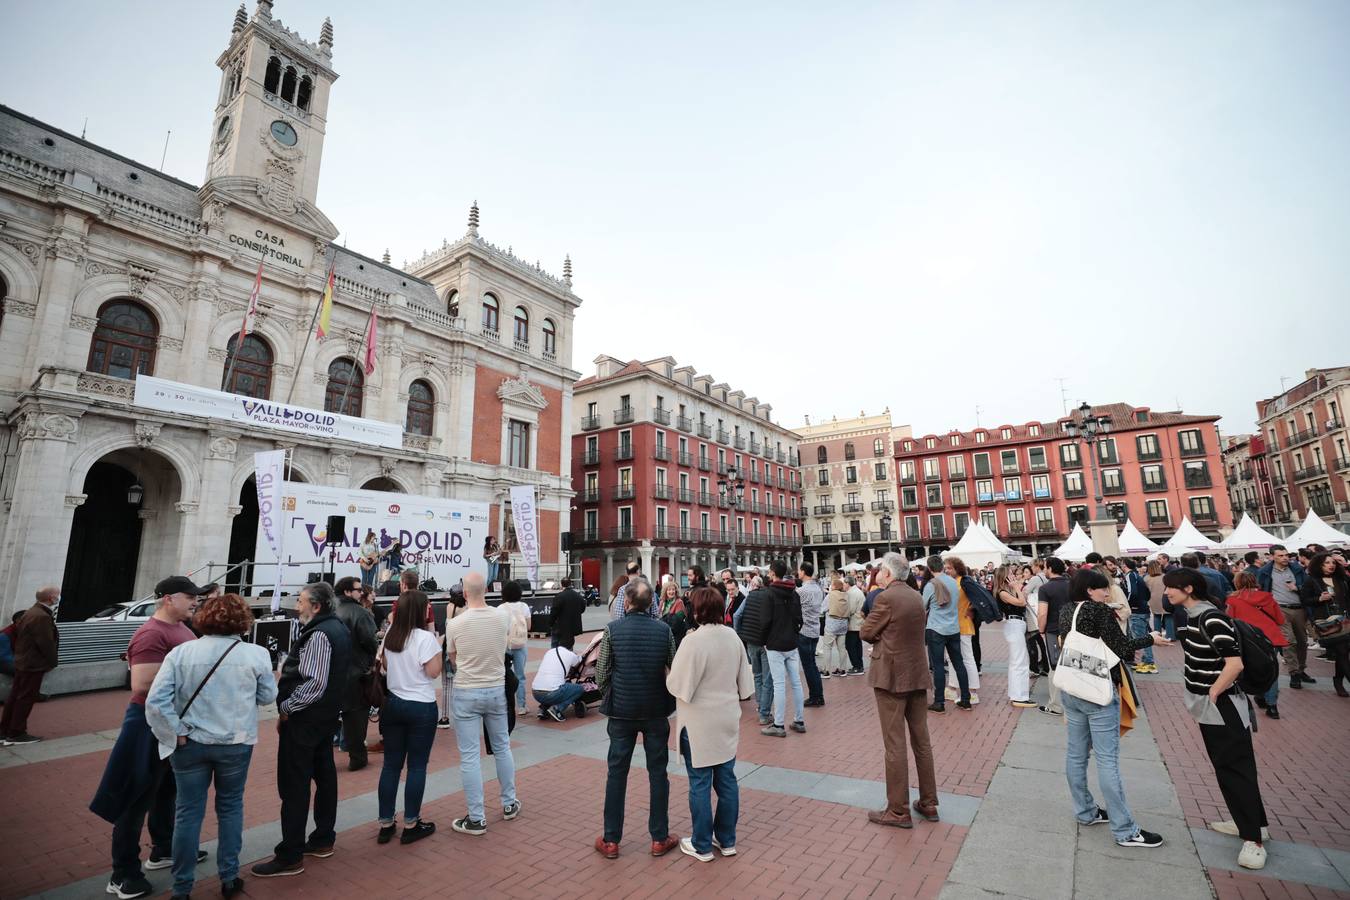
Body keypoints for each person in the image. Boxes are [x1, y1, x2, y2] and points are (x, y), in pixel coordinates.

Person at [144, 593, 276, 900]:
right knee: (230, 808)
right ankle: (229, 877)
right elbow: (267, 696)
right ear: (242, 620)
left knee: (187, 813)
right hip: (235, 741)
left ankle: (182, 887)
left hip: (189, 742)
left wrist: (175, 731)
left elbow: (156, 700)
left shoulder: (182, 653)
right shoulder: (256, 654)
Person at [90, 577, 206, 900]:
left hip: (172, 723)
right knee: (136, 796)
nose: (195, 602)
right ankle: (123, 872)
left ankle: (164, 848)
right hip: (146, 725)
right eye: (190, 597)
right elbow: (141, 685)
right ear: (168, 599)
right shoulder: (152, 633)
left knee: (166, 789)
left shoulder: (182, 629)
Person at [1162, 568, 1269, 870]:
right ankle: (1249, 823)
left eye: (1171, 588)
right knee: (1226, 766)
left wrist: (1214, 692)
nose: (1167, 592)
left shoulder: (1211, 617)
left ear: (1189, 589)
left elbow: (1234, 663)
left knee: (1236, 767)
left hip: (1222, 705)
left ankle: (1254, 841)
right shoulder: (1194, 616)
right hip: (1211, 705)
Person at [251, 582, 353, 878]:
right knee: (323, 776)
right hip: (323, 718)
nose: (297, 606)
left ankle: (291, 853)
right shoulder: (335, 628)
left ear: (317, 606)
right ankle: (322, 838)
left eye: (302, 601)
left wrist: (287, 708)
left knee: (295, 785)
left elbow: (314, 683)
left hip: (307, 719)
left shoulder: (321, 633)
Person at [1059, 568, 1165, 850]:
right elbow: (1122, 648)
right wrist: (1151, 638)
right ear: (1090, 590)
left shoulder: (1068, 609)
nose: (1107, 593)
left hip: (1072, 687)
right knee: (1107, 760)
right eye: (1102, 589)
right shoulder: (1099, 612)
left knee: (1076, 754)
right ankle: (1125, 830)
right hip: (1098, 690)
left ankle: (1085, 811)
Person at [594, 580, 680, 859]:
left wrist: (612, 695)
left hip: (621, 711)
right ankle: (659, 837)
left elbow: (602, 672)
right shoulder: (664, 630)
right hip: (656, 710)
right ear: (650, 604)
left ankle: (611, 840)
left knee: (616, 773)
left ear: (627, 603)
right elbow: (674, 667)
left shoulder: (612, 630)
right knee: (658, 773)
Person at [667, 587, 754, 861]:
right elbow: (746, 686)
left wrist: (666, 673)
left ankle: (701, 843)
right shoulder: (733, 637)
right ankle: (726, 839)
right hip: (727, 719)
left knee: (700, 783)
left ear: (696, 611)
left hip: (698, 723)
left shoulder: (692, 642)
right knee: (727, 780)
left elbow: (679, 686)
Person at [861, 553, 938, 828]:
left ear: (888, 573)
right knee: (922, 742)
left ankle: (897, 809)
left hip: (892, 677)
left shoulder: (886, 598)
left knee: (894, 744)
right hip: (917, 673)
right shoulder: (915, 595)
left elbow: (866, 632)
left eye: (881, 569)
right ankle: (929, 802)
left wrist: (881, 636)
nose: (878, 573)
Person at [445, 572, 518, 835]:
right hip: (495, 688)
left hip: (467, 690)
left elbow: (452, 658)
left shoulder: (455, 624)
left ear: (464, 593)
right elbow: (505, 644)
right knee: (502, 747)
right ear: (486, 590)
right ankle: (509, 802)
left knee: (469, 756)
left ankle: (477, 817)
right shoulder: (502, 616)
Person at [375, 590, 443, 846]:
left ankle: (385, 822)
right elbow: (433, 672)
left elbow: (384, 668)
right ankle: (411, 823)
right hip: (420, 706)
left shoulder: (391, 636)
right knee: (416, 766)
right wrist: (439, 647)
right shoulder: (425, 638)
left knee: (391, 765)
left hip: (393, 704)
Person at [1, 586, 60, 745]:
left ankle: (5, 730)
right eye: (57, 595)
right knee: (25, 698)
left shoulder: (31, 612)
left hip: (23, 661)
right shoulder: (41, 616)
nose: (58, 598)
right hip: (33, 663)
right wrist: (52, 661)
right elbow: (46, 643)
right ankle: (16, 733)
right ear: (50, 598)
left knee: (16, 696)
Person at [1225, 572, 1287, 718]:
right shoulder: (1267, 597)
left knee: (1251, 668)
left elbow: (1230, 621)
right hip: (1270, 638)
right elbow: (1280, 620)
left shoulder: (1232, 600)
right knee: (1271, 671)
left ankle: (1258, 696)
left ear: (1237, 583)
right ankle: (1272, 706)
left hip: (1248, 640)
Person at [756, 559, 806, 737]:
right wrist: (793, 632)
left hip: (775, 644)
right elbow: (800, 619)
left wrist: (763, 640)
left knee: (779, 684)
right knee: (796, 682)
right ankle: (799, 720)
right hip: (791, 643)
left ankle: (778, 724)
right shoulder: (794, 593)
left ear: (772, 573)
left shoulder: (769, 594)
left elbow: (764, 622)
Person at [333, 575, 378, 772]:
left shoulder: (330, 611)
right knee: (356, 717)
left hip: (333, 672)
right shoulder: (360, 613)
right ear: (347, 592)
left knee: (330, 715)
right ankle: (357, 756)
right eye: (358, 590)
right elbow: (370, 641)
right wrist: (369, 662)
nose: (362, 592)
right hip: (355, 672)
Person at [1256, 545, 1312, 689]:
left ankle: (1301, 669)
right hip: (1280, 609)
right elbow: (1261, 590)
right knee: (1289, 641)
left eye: (1286, 555)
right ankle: (1294, 673)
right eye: (1280, 555)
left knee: (1302, 641)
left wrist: (1297, 588)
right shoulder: (1265, 572)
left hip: (1299, 608)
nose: (1285, 558)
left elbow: (1308, 587)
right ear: (1272, 556)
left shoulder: (1297, 569)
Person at [923, 555, 970, 713]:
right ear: (942, 566)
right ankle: (965, 699)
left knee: (938, 666)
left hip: (936, 628)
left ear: (929, 569)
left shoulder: (931, 585)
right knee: (959, 663)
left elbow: (922, 605)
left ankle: (939, 702)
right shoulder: (953, 581)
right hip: (954, 628)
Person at [1300, 552, 1350, 697]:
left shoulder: (1342, 579)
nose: (1331, 565)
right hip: (1328, 623)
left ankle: (1338, 681)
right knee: (1341, 651)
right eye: (1327, 563)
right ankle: (1340, 682)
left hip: (1346, 620)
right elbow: (1305, 599)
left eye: (1333, 563)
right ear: (1319, 565)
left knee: (1344, 653)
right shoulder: (1312, 580)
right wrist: (1319, 598)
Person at [733, 572, 774, 725]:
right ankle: (765, 710)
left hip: (751, 641)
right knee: (766, 676)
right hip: (764, 641)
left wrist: (739, 633)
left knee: (757, 674)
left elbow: (737, 615)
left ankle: (760, 705)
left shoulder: (749, 597)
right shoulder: (768, 597)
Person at [992, 566, 1037, 708]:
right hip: (1014, 624)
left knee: (1019, 661)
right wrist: (1017, 587)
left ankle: (1018, 694)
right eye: (1010, 574)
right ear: (1004, 577)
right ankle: (1019, 696)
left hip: (1017, 624)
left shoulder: (1006, 590)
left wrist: (1017, 588)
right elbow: (1021, 602)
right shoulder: (1002, 592)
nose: (1013, 576)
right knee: (1019, 661)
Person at [944, 558, 981, 704]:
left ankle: (973, 692)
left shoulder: (964, 582)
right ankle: (953, 688)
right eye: (945, 568)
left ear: (957, 569)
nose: (947, 570)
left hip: (963, 624)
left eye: (949, 568)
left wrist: (972, 609)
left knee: (967, 658)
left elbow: (978, 597)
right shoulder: (954, 582)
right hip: (953, 625)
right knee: (952, 658)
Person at [1038, 557, 1071, 716]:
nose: (1044, 570)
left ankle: (1056, 705)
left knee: (1055, 665)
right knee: (1071, 663)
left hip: (1053, 629)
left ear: (1050, 568)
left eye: (1045, 567)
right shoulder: (1072, 584)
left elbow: (1042, 612)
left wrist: (1041, 629)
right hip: (1072, 630)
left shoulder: (1045, 588)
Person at [531, 636, 585, 722]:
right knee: (579, 689)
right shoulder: (570, 654)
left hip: (535, 692)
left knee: (551, 684)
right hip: (552, 693)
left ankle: (543, 709)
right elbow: (578, 663)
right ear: (571, 646)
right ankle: (557, 709)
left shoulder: (549, 652)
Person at [499, 581, 532, 715]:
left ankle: (504, 704)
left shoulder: (500, 608)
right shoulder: (524, 606)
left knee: (503, 675)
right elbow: (529, 627)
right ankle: (522, 706)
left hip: (505, 645)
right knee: (520, 676)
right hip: (521, 644)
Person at [796, 562, 826, 706]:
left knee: (808, 666)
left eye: (799, 571)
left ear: (803, 572)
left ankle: (815, 696)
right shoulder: (818, 588)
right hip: (814, 629)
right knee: (812, 665)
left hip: (804, 631)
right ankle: (818, 695)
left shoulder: (801, 591)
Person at [1124, 560, 1156, 674]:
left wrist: (1128, 604)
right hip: (1143, 609)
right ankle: (1147, 661)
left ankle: (1149, 662)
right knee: (1144, 636)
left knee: (1141, 638)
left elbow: (1132, 592)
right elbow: (1147, 593)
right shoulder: (1137, 576)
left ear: (1124, 565)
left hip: (1137, 610)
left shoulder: (1130, 575)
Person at [821, 577, 850, 677]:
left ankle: (826, 671)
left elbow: (823, 609)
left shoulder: (830, 596)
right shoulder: (846, 595)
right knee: (842, 648)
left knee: (827, 647)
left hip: (832, 624)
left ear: (834, 586)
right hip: (843, 624)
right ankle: (842, 669)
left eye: (831, 584)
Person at [550, 578, 586, 650]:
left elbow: (554, 612)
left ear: (561, 584)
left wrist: (550, 623)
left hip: (560, 626)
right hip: (572, 626)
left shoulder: (559, 596)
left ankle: (556, 658)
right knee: (569, 645)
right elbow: (583, 608)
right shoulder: (578, 596)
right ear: (571, 584)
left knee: (555, 645)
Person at [844, 576, 867, 675]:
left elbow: (850, 609)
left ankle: (857, 666)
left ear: (848, 583)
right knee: (857, 645)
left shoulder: (851, 593)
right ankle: (859, 665)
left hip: (854, 623)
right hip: (859, 622)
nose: (843, 585)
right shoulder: (857, 591)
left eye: (844, 583)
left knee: (850, 645)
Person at [657, 578, 689, 646]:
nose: (671, 592)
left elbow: (677, 621)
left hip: (675, 637)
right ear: (665, 591)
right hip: (663, 634)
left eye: (673, 589)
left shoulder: (679, 602)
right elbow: (658, 616)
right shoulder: (662, 602)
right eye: (669, 590)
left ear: (676, 591)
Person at [1145, 559, 1172, 639]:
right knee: (1168, 616)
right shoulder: (1165, 576)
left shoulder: (1146, 578)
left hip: (1153, 599)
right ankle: (1171, 636)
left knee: (1156, 617)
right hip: (1165, 598)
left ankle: (1157, 636)